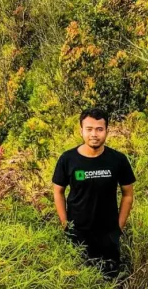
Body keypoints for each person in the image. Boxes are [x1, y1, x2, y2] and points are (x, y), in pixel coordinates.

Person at [52, 107, 135, 278]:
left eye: (99, 129)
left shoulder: (118, 160)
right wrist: (65, 224)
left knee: (109, 283)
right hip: (78, 234)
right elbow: (58, 191)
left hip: (108, 235)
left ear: (107, 131)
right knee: (78, 282)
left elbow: (128, 194)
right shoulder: (68, 159)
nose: (94, 134)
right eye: (89, 129)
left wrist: (118, 227)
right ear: (81, 130)